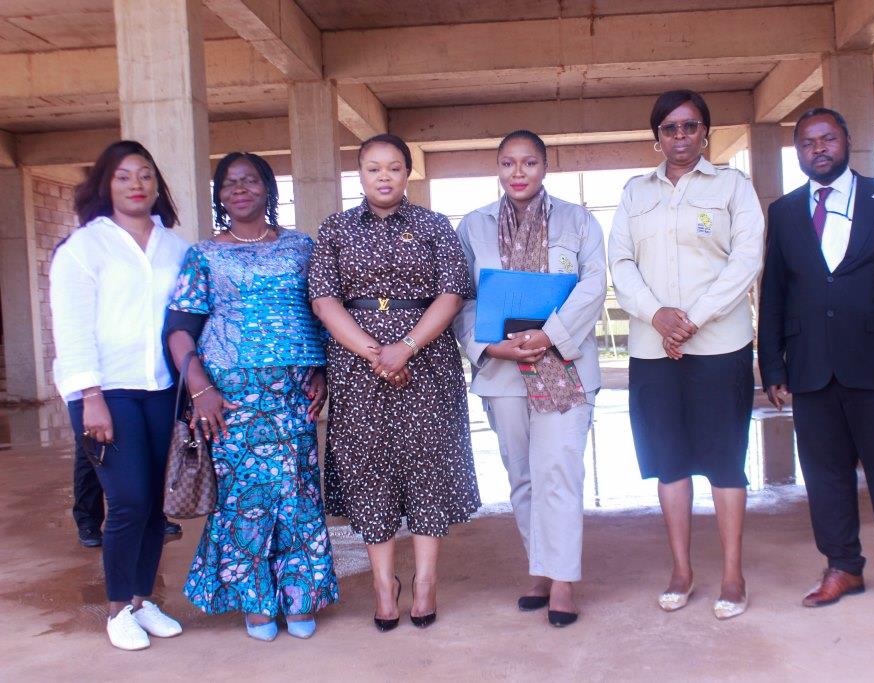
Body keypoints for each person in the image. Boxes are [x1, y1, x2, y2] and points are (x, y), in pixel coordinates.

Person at [758, 108, 874, 612]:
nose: (818, 148)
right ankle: (842, 567)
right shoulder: (785, 211)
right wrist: (772, 365)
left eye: (827, 138)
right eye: (807, 142)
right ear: (797, 152)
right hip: (811, 366)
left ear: (847, 141)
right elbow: (774, 292)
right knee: (825, 474)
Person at [309, 133, 479, 631]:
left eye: (394, 168)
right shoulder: (336, 228)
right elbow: (324, 300)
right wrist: (374, 353)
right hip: (356, 367)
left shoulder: (433, 225)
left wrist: (405, 347)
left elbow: (452, 293)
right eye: (373, 168)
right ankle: (384, 584)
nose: (383, 177)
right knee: (368, 467)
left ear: (407, 173)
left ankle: (425, 581)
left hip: (427, 362)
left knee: (428, 464)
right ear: (359, 175)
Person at [165, 152, 339, 641]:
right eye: (229, 183)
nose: (239, 189)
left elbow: (322, 312)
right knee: (246, 497)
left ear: (268, 188)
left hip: (293, 392)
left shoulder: (302, 247)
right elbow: (179, 330)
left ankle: (300, 597)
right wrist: (200, 389)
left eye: (250, 180)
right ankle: (256, 601)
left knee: (297, 491)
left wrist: (321, 369)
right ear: (219, 196)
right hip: (230, 396)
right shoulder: (204, 254)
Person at [608, 90, 764, 620]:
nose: (680, 136)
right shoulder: (635, 192)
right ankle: (681, 569)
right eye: (670, 128)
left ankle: (733, 574)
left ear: (705, 133)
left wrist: (692, 319)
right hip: (653, 350)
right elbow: (621, 263)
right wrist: (657, 316)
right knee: (669, 462)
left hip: (720, 345)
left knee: (725, 461)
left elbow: (746, 259)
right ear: (657, 137)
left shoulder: (733, 187)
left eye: (690, 126)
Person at [452, 130, 606, 627]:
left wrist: (549, 335)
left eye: (529, 162)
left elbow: (593, 286)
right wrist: (486, 345)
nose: (518, 172)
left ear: (545, 166)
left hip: (564, 367)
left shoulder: (577, 221)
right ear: (497, 168)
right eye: (508, 163)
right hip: (502, 369)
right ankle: (539, 570)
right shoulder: (473, 226)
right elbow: (462, 297)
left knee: (558, 471)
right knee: (522, 476)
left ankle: (562, 582)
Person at [50, 140, 189, 650]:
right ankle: (116, 611)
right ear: (105, 185)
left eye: (145, 175)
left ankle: (141, 600)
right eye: (124, 176)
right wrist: (90, 394)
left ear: (157, 185)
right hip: (105, 392)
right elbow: (71, 327)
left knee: (154, 503)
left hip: (161, 389)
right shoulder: (85, 247)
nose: (136, 184)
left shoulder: (175, 247)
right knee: (128, 499)